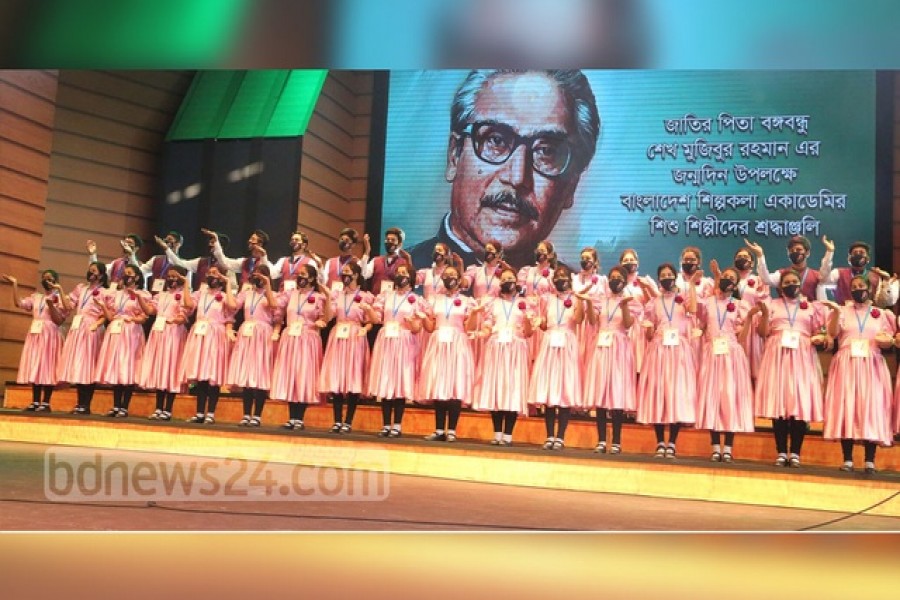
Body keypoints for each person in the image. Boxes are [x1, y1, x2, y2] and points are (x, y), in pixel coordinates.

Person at [407, 69, 601, 269]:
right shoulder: (396, 276)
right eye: (496, 140)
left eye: (547, 151)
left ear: (571, 186)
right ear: (454, 155)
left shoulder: (579, 293)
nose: (517, 177)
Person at [752, 270, 828, 468]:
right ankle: (780, 452)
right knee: (780, 404)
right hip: (777, 356)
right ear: (781, 286)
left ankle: (795, 452)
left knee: (798, 403)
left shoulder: (809, 307)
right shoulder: (772, 305)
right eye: (787, 282)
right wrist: (766, 314)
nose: (791, 284)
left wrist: (819, 337)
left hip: (802, 357)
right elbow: (762, 332)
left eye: (795, 281)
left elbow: (820, 331)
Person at [823, 276, 894, 473]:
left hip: (872, 365)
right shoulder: (843, 311)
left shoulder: (880, 314)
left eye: (862, 286)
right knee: (847, 407)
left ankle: (870, 460)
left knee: (870, 408)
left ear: (869, 289)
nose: (858, 289)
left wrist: (885, 341)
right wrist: (836, 312)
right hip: (847, 362)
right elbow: (833, 332)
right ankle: (847, 459)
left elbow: (888, 341)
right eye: (854, 287)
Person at [692, 264, 755, 463]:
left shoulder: (739, 305)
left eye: (731, 277)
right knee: (713, 397)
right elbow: (698, 319)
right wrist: (692, 284)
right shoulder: (707, 302)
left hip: (732, 354)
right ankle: (714, 447)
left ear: (736, 283)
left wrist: (750, 320)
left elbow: (742, 337)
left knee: (729, 397)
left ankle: (727, 446)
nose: (727, 279)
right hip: (711, 353)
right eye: (724, 276)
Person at [636, 263, 697, 459]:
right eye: (663, 275)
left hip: (679, 351)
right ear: (659, 279)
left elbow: (694, 309)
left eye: (670, 274)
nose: (667, 277)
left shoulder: (683, 299)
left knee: (676, 394)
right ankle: (660, 441)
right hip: (659, 350)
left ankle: (672, 442)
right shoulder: (654, 302)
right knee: (659, 394)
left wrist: (693, 285)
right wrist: (647, 330)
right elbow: (649, 330)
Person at [360, 264, 427, 437]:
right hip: (387, 340)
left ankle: (397, 424)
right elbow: (376, 319)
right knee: (387, 379)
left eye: (404, 273)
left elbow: (417, 329)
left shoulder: (416, 300)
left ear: (411, 278)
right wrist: (368, 310)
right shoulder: (386, 297)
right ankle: (385, 424)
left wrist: (412, 322)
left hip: (404, 341)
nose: (400, 275)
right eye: (398, 272)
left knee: (400, 380)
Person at [470, 268, 534, 445]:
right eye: (504, 278)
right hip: (496, 348)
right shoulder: (493, 304)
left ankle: (508, 435)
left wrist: (528, 320)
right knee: (497, 388)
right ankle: (497, 433)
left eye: (511, 278)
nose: (508, 281)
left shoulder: (524, 304)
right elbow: (488, 327)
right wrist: (479, 334)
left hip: (516, 349)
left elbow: (528, 332)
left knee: (512, 388)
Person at [526, 265, 585, 451]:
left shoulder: (576, 299)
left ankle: (561, 436)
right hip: (550, 343)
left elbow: (579, 319)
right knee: (550, 390)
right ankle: (550, 435)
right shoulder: (547, 299)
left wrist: (582, 301)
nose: (560, 279)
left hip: (567, 344)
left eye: (564, 276)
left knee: (564, 389)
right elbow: (544, 323)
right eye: (557, 276)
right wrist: (537, 322)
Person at [417, 265, 478, 442]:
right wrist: (423, 318)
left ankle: (451, 429)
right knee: (439, 384)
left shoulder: (467, 301)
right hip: (438, 344)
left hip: (457, 344)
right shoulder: (435, 300)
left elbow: (469, 328)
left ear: (460, 279)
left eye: (452, 275)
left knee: (454, 385)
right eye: (446, 275)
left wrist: (474, 315)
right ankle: (438, 429)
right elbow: (429, 327)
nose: (449, 277)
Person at [583, 265, 639, 454]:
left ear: (624, 280)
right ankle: (600, 440)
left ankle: (616, 441)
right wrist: (589, 303)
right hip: (601, 345)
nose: (615, 280)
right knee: (600, 392)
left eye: (619, 277)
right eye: (612, 277)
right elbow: (592, 321)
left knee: (616, 393)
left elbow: (629, 324)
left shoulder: (630, 300)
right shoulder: (601, 300)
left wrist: (624, 306)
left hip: (619, 347)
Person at [271, 264, 332, 430]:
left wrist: (322, 318)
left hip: (308, 338)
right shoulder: (290, 294)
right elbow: (275, 305)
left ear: (312, 278)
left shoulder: (319, 297)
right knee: (291, 375)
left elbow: (325, 317)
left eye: (303, 274)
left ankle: (300, 418)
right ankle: (291, 417)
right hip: (290, 337)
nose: (300, 277)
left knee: (304, 375)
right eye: (298, 274)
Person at [318, 261, 373, 433]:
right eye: (343, 272)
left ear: (356, 275)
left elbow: (370, 321)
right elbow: (328, 317)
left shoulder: (365, 296)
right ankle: (337, 420)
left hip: (355, 336)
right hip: (338, 336)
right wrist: (327, 297)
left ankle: (348, 420)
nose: (345, 275)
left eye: (348, 272)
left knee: (352, 378)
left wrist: (365, 328)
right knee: (337, 377)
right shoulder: (337, 295)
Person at [1, 270, 67, 412]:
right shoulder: (36, 297)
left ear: (55, 281)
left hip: (50, 335)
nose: (46, 281)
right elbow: (19, 303)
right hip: (36, 334)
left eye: (49, 278)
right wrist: (15, 285)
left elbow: (60, 320)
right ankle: (35, 401)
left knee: (48, 367)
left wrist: (51, 304)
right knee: (36, 366)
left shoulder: (60, 297)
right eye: (44, 278)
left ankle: (46, 402)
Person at [179, 266, 236, 424]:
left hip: (215, 335)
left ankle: (210, 413)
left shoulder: (224, 296)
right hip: (200, 334)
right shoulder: (200, 293)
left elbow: (232, 306)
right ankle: (199, 413)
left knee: (212, 375)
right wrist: (185, 285)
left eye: (215, 273)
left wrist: (228, 284)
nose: (211, 276)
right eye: (209, 273)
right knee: (201, 376)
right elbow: (188, 304)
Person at [92, 265, 149, 417]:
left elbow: (144, 316)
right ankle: (116, 405)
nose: (126, 276)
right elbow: (110, 317)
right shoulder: (116, 294)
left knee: (128, 366)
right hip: (115, 331)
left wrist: (134, 318)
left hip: (131, 332)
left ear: (137, 277)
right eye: (124, 274)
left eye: (129, 274)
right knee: (117, 366)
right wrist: (103, 306)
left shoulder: (142, 294)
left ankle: (124, 406)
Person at [226, 264, 279, 427]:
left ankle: (257, 415)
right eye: (255, 274)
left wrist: (268, 284)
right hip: (247, 332)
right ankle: (247, 413)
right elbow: (233, 305)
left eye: (261, 274)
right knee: (247, 374)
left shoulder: (273, 294)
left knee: (259, 373)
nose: (257, 277)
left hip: (263, 334)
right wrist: (228, 284)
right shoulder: (247, 293)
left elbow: (273, 306)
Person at [137, 266, 189, 421]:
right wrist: (139, 298)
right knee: (160, 368)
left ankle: (168, 409)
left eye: (175, 276)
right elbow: (150, 311)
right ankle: (159, 407)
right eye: (169, 276)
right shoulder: (161, 295)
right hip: (159, 333)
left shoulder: (184, 295)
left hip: (173, 333)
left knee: (170, 368)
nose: (171, 279)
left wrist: (174, 321)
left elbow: (184, 315)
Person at [57, 262, 108, 414]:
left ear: (101, 275)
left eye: (94, 271)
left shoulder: (105, 292)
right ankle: (80, 403)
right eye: (89, 270)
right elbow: (68, 306)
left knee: (88, 365)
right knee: (78, 365)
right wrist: (60, 290)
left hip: (92, 328)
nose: (90, 273)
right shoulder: (81, 288)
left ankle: (86, 404)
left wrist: (97, 324)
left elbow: (107, 313)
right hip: (78, 328)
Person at [745, 235, 831, 300]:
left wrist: (829, 252)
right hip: (785, 317)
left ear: (807, 253)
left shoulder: (816, 276)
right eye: (791, 251)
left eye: (798, 250)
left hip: (808, 319)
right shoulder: (782, 274)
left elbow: (825, 274)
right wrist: (760, 255)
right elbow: (766, 279)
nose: (795, 252)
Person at [819, 240, 898, 307]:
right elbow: (824, 280)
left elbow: (885, 303)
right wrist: (830, 252)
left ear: (868, 259)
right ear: (849, 259)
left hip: (868, 319)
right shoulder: (838, 273)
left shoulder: (875, 278)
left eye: (862, 253)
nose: (858, 255)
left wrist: (887, 282)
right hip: (844, 318)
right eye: (855, 253)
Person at [732, 245, 769, 383]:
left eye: (746, 257)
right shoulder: (729, 279)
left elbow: (764, 302)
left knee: (755, 370)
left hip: (752, 328)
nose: (742, 260)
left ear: (752, 263)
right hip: (733, 327)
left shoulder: (759, 280)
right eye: (739, 257)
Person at [166, 230, 232, 292]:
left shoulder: (227, 264)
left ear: (220, 247)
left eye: (213, 243)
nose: (210, 244)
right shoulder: (201, 261)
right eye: (209, 242)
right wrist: (167, 250)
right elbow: (180, 263)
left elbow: (233, 289)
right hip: (200, 300)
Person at [362, 227, 414, 296]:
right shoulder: (376, 260)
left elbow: (411, 282)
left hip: (394, 302)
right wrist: (367, 251)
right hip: (376, 302)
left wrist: (409, 260)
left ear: (399, 244)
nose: (389, 242)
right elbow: (364, 274)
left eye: (393, 240)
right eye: (387, 239)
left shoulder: (403, 262)